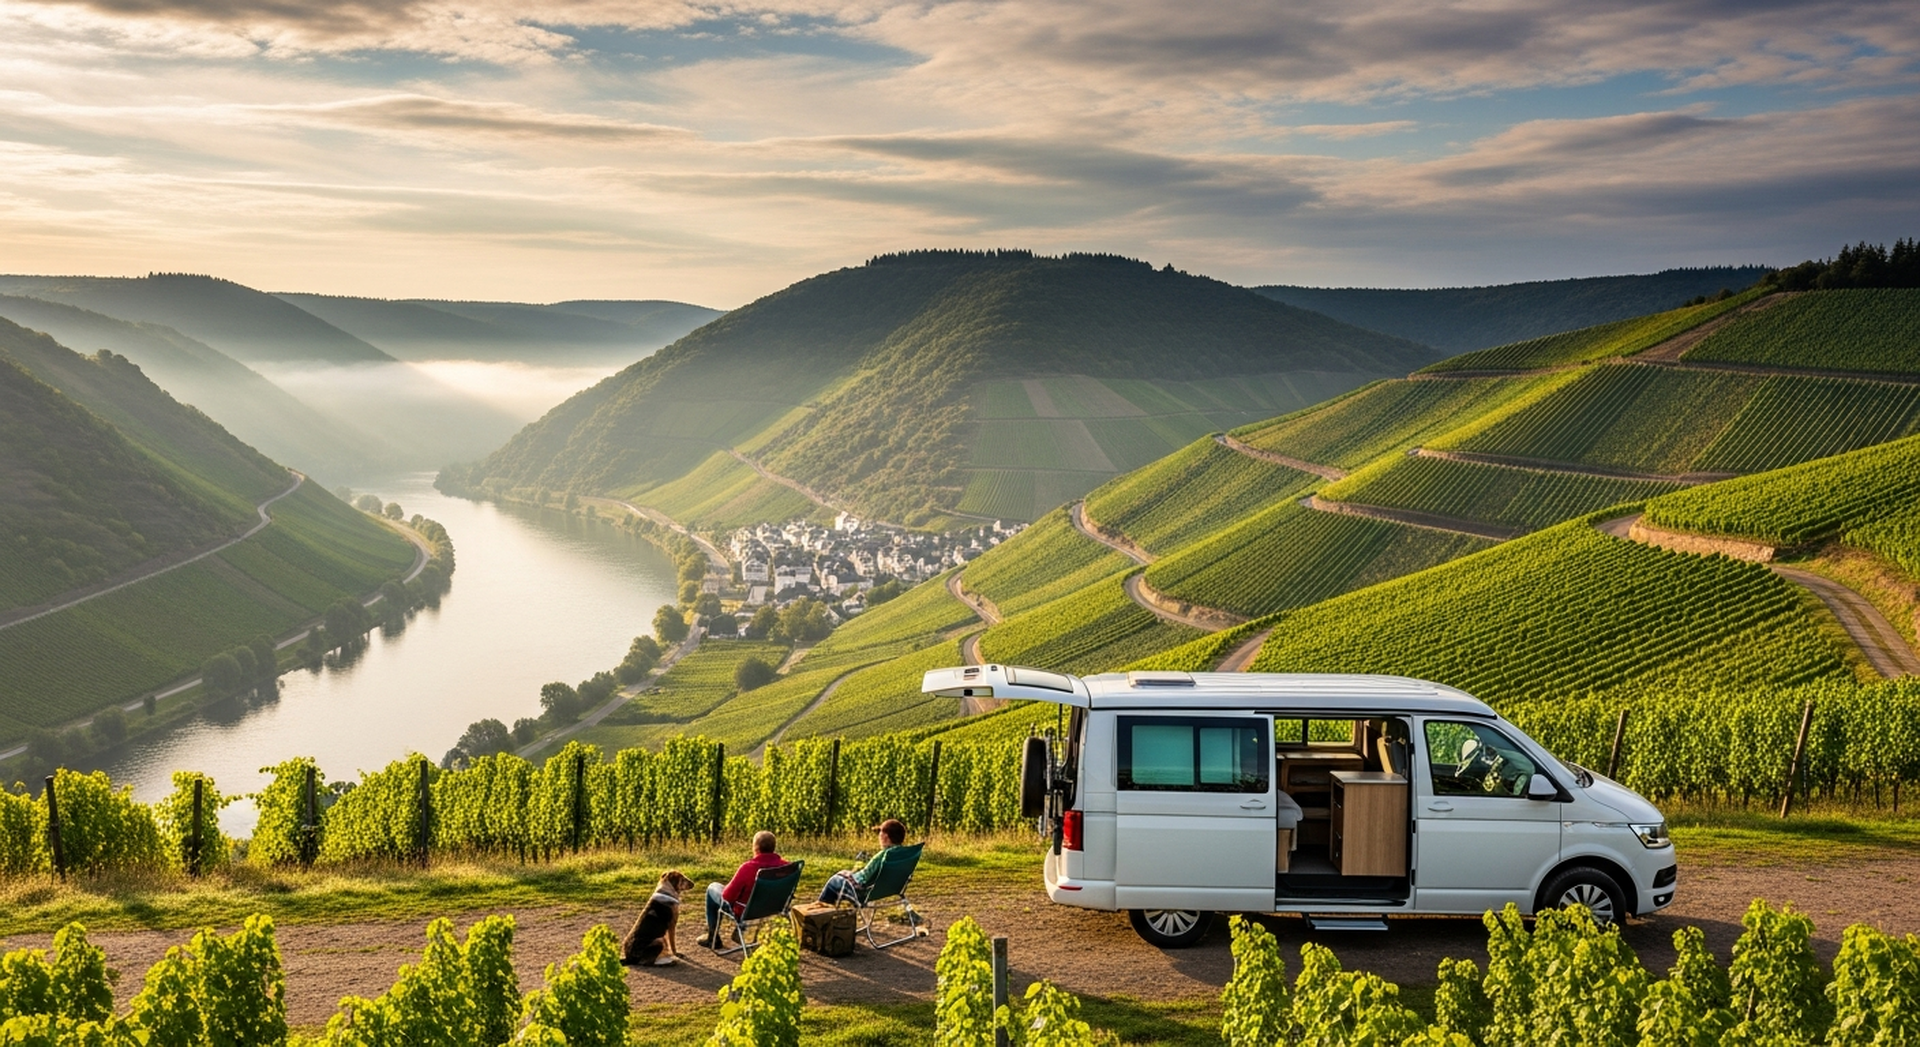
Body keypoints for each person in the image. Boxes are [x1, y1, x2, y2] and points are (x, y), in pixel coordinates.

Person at [700, 830, 786, 946]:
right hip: (773, 910)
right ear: (773, 847)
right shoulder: (787, 867)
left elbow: (727, 897)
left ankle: (713, 938)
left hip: (746, 912)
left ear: (755, 848)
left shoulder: (748, 868)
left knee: (712, 888)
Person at [819, 818, 906, 905]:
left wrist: (852, 874)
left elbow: (865, 877)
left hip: (862, 893)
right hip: (887, 890)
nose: (879, 836)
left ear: (886, 836)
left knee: (834, 881)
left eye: (880, 832)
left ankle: (820, 910)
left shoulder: (884, 855)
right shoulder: (903, 854)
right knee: (842, 874)